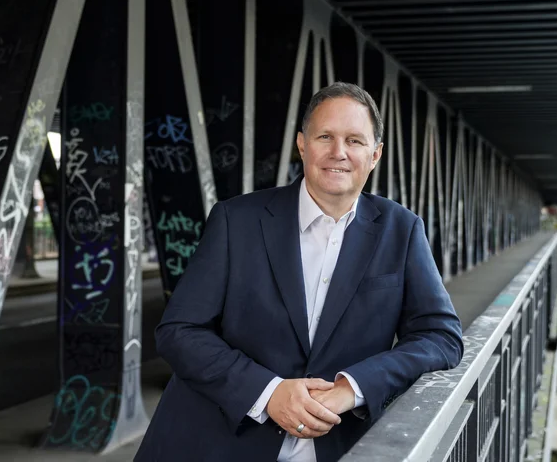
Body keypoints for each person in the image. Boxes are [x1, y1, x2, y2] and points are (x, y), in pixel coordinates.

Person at [135, 82, 464, 462]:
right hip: (216, 442)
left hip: (338, 446)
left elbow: (441, 336)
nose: (339, 152)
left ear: (375, 155)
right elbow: (179, 331)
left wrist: (353, 386)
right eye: (325, 136)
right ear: (303, 144)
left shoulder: (402, 230)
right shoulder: (235, 220)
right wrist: (268, 392)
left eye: (355, 141)